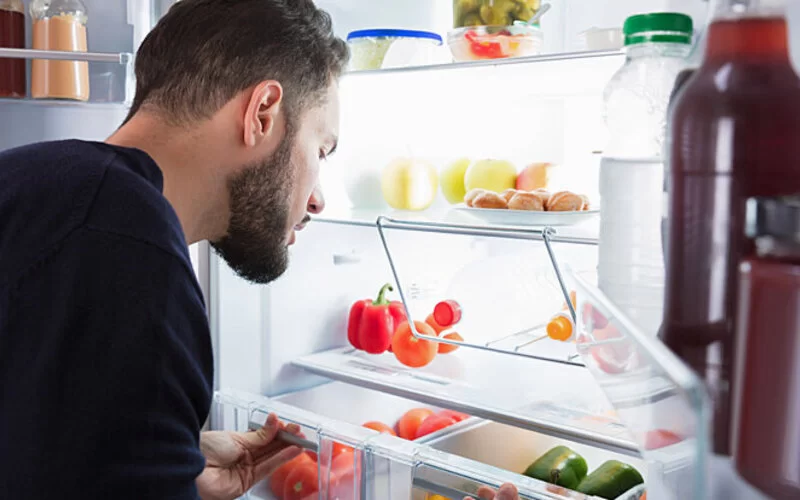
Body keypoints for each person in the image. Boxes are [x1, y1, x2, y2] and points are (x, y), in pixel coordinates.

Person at [0, 0, 521, 499]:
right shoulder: (133, 257)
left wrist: (173, 464)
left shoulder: (33, 176)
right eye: (321, 149)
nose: (316, 199)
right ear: (263, 113)